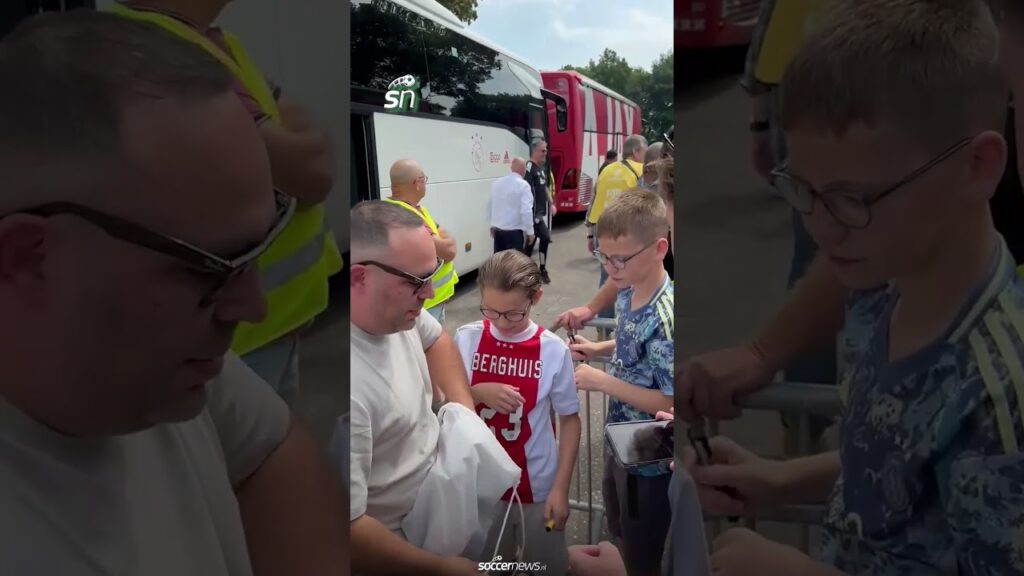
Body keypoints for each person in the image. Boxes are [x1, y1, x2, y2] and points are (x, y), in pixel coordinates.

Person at [680, 0, 1024, 573]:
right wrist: (778, 480)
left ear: (978, 166)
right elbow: (896, 463)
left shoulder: (997, 394)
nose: (820, 226)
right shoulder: (876, 288)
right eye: (802, 191)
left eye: (851, 199)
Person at [0, 12, 348, 574]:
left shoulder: (147, 365)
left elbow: (274, 454)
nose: (251, 305)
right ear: (25, 258)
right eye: (208, 268)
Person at [111, 0, 342, 404]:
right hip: (232, 340)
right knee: (248, 456)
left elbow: (303, 145)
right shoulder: (153, 49)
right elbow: (311, 170)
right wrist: (304, 144)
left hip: (264, 326)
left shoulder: (213, 43)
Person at [348, 200, 481, 576]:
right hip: (396, 552)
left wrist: (464, 413)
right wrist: (438, 568)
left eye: (432, 274)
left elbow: (436, 338)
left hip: (435, 516)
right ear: (359, 277)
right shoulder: (350, 394)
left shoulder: (399, 312)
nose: (429, 293)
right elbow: (351, 529)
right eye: (416, 282)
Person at [452, 250, 581, 574]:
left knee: (547, 565)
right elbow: (442, 404)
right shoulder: (467, 338)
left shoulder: (551, 350)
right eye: (490, 311)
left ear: (535, 298)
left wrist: (560, 489)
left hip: (537, 488)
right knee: (489, 566)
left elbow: (569, 419)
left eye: (513, 314)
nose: (501, 323)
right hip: (481, 489)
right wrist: (476, 392)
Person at [568, 189, 673, 576]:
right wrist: (599, 350)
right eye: (603, 256)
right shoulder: (630, 291)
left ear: (660, 247)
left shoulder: (666, 316)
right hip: (621, 440)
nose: (610, 268)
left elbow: (670, 399)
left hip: (649, 456)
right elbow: (632, 343)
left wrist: (602, 381)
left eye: (620, 258)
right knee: (619, 530)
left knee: (641, 549)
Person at [384, 159, 459, 325]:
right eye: (424, 179)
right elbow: (449, 251)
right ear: (417, 183)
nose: (425, 183)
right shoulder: (406, 217)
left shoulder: (400, 209)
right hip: (424, 306)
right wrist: (445, 240)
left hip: (427, 302)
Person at [587, 135, 648, 317]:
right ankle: (627, 326)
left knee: (607, 277)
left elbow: (594, 200)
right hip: (627, 232)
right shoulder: (642, 170)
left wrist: (590, 235)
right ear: (637, 151)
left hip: (601, 229)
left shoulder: (606, 170)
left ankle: (604, 326)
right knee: (631, 281)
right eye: (644, 151)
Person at [524, 139, 555, 284]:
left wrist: (551, 203)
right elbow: (525, 190)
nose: (545, 153)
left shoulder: (540, 169)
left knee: (531, 242)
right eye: (543, 150)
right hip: (533, 215)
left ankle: (525, 270)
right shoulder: (529, 168)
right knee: (544, 237)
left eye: (546, 150)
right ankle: (540, 269)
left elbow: (545, 188)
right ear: (535, 150)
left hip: (539, 213)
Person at [488, 158, 535, 254]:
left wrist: (492, 224)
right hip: (514, 235)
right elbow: (526, 211)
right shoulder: (524, 185)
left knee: (500, 265)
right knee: (513, 266)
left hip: (498, 233)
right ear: (523, 170)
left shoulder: (497, 183)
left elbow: (490, 205)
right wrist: (530, 231)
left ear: (511, 168)